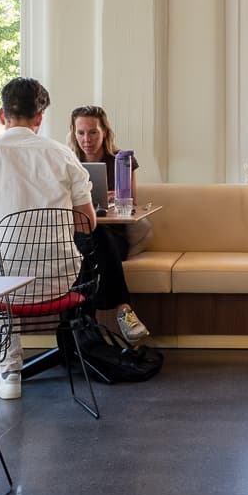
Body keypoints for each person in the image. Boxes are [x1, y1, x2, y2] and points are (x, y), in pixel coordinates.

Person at [0, 77, 94, 400]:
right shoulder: (63, 155)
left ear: (2, 115)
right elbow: (87, 225)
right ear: (40, 117)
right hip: (57, 279)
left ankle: (2, 364)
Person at [67, 104, 151, 345]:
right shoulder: (68, 163)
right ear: (73, 132)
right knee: (88, 244)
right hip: (79, 238)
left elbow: (132, 203)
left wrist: (116, 197)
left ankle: (84, 325)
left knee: (98, 233)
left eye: (93, 132)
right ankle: (124, 311)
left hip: (114, 236)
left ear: (105, 131)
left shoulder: (122, 160)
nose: (87, 139)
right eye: (80, 132)